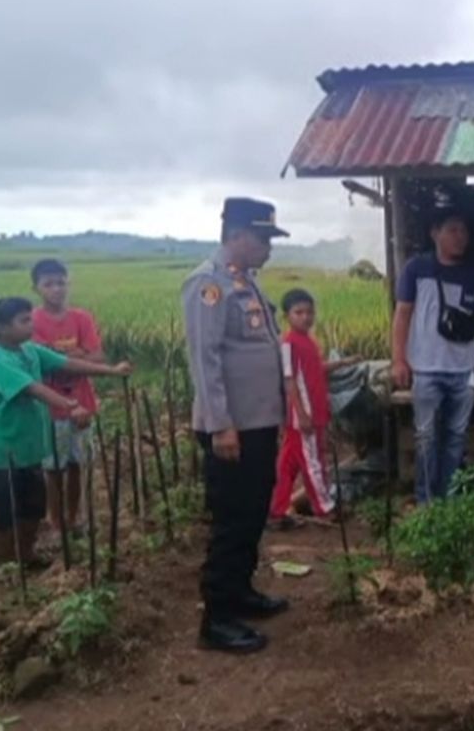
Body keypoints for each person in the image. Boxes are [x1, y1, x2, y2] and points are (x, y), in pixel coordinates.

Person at [182, 197, 291, 654]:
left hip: (258, 423)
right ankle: (218, 617)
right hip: (232, 429)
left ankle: (240, 591)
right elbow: (205, 362)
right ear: (238, 235)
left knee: (251, 514)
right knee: (232, 519)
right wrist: (221, 424)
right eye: (263, 238)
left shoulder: (246, 283)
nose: (269, 247)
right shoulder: (208, 285)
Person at [0, 296, 130, 565]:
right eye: (23, 320)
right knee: (5, 509)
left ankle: (26, 554)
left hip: (28, 445)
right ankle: (7, 562)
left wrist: (111, 371)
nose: (31, 323)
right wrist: (71, 405)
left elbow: (68, 364)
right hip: (2, 448)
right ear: (2, 327)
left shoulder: (30, 351)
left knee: (33, 506)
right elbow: (34, 389)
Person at [391, 195, 474, 503]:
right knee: (425, 437)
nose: (459, 237)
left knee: (456, 439)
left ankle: (449, 500)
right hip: (425, 369)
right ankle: (426, 502)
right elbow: (402, 314)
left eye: (463, 231)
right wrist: (399, 359)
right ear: (434, 233)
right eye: (452, 230)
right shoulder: (417, 269)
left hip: (463, 370)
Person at [269, 289, 361, 528]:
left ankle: (275, 508)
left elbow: (316, 369)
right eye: (299, 312)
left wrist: (342, 362)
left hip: (315, 411)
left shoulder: (309, 341)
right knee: (313, 462)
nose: (305, 317)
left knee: (287, 464)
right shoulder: (288, 343)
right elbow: (289, 380)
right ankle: (324, 507)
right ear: (287, 315)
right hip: (305, 415)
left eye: (309, 312)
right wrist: (301, 413)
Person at [30, 258, 104, 541]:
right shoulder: (33, 321)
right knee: (53, 469)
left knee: (77, 464)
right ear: (36, 288)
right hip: (50, 408)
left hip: (83, 403)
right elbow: (42, 362)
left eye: (61, 282)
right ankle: (55, 522)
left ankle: (74, 519)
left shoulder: (81, 318)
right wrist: (74, 357)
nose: (56, 289)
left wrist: (61, 358)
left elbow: (97, 357)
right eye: (48, 284)